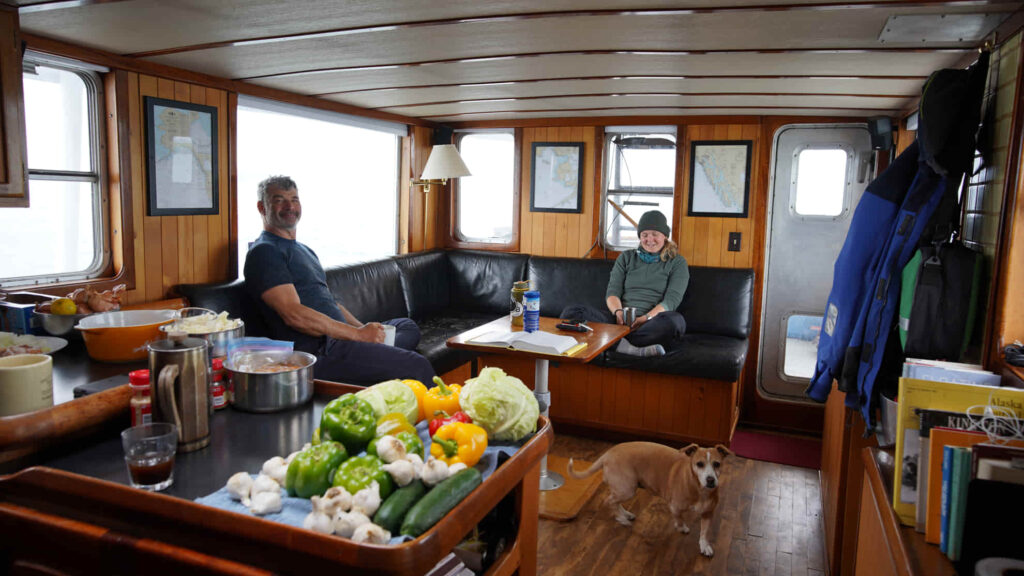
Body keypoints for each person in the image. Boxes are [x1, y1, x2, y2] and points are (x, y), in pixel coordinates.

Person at [243, 175, 434, 385]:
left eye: (294, 199)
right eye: (280, 200)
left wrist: (365, 330)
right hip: (318, 351)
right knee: (418, 366)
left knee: (406, 326)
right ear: (262, 207)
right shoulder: (265, 252)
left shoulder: (305, 250)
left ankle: (380, 354)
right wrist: (358, 335)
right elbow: (293, 314)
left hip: (341, 338)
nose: (290, 206)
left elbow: (332, 303)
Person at [560, 210, 689, 357]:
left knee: (675, 322)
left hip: (650, 323)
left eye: (655, 234)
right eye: (644, 235)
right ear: (640, 236)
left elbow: (671, 301)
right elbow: (613, 292)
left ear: (665, 236)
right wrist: (618, 313)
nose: (649, 239)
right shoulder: (626, 257)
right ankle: (630, 347)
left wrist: (645, 318)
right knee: (572, 312)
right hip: (618, 322)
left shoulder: (677, 262)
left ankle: (612, 342)